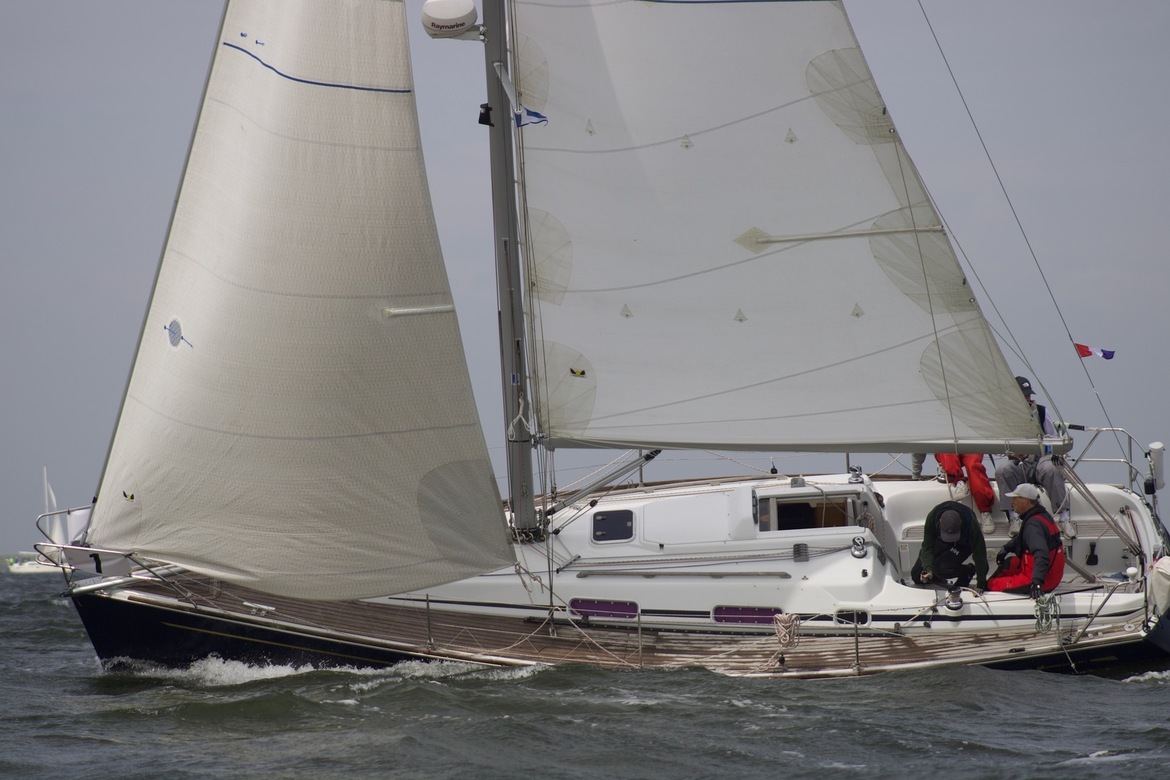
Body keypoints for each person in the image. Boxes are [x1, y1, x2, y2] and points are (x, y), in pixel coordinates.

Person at [994, 376, 1072, 537]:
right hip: (1019, 462)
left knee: (1052, 469)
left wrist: (1042, 447)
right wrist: (1012, 452)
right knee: (1003, 470)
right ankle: (1013, 518)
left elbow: (1053, 439)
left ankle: (1064, 517)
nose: (1028, 399)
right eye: (1024, 395)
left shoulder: (1041, 412)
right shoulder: (1005, 417)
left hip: (1040, 459)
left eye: (1028, 395)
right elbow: (998, 447)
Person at [987, 483, 1065, 598]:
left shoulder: (1033, 525)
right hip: (1050, 575)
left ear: (1025, 501)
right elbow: (1023, 538)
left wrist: (1037, 583)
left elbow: (1042, 553)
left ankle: (986, 589)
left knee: (991, 584)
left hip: (1039, 580)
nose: (1012, 502)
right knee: (1009, 563)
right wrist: (1006, 548)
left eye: (1015, 498)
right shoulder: (1041, 515)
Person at [911, 502, 989, 598]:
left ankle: (967, 571)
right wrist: (928, 570)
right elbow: (927, 547)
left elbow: (980, 555)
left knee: (941, 569)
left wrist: (981, 583)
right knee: (916, 575)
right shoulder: (932, 517)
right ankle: (936, 576)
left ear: (961, 522)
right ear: (939, 522)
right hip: (940, 539)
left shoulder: (972, 526)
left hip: (962, 544)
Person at [910, 452, 996, 534]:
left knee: (973, 466)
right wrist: (916, 475)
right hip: (949, 449)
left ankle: (985, 511)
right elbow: (919, 446)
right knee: (946, 451)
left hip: (969, 446)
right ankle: (959, 482)